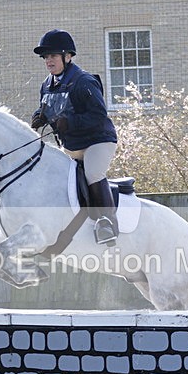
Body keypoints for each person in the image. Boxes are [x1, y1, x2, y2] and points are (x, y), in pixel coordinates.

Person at [31, 29, 118, 246]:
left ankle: (107, 224)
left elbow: (98, 115)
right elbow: (47, 108)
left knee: (92, 173)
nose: (48, 60)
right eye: (46, 57)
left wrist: (70, 122)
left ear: (67, 57)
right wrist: (39, 116)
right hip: (71, 144)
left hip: (97, 141)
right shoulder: (47, 85)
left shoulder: (84, 81)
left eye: (52, 55)